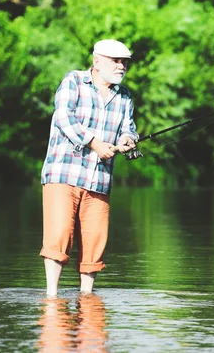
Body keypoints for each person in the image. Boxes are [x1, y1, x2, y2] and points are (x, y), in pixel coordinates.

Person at [40, 39, 139, 296]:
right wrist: (94, 143)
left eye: (124, 62)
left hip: (100, 179)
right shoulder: (73, 81)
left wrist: (128, 140)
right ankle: (52, 296)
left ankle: (87, 297)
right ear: (97, 61)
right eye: (116, 61)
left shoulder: (125, 96)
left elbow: (128, 129)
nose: (121, 66)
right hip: (63, 173)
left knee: (95, 241)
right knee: (59, 234)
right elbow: (63, 117)